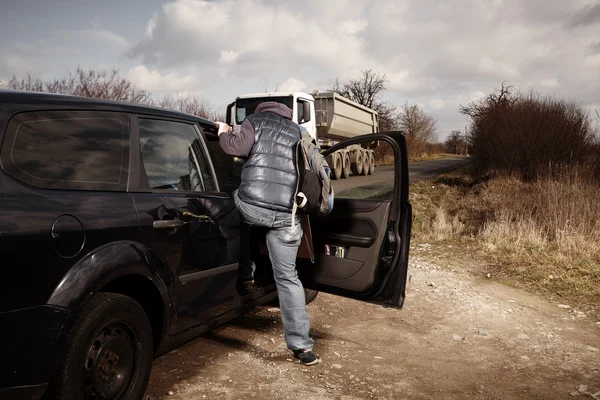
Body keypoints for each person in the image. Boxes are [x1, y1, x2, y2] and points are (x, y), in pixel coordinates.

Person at [215, 101, 320, 366]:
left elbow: (234, 148)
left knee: (228, 208)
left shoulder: (254, 122)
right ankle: (303, 349)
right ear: (286, 114)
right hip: (288, 213)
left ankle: (244, 274)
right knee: (288, 278)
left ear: (262, 112)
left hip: (252, 206)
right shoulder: (298, 132)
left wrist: (223, 132)